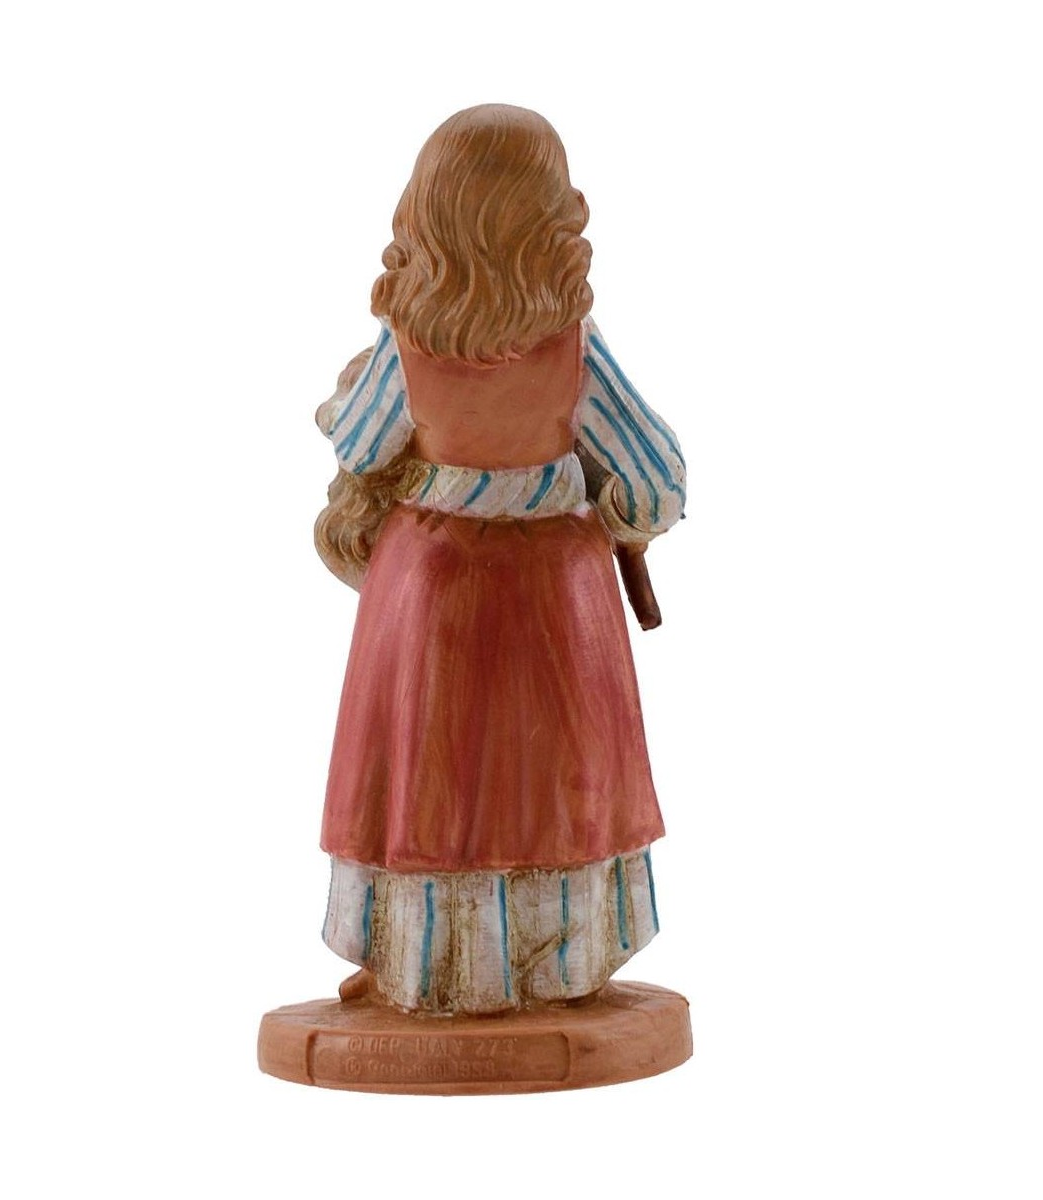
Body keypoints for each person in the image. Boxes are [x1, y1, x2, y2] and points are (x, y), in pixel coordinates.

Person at [312, 105, 686, 1014]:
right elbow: (656, 475)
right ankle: (556, 965)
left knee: (429, 784)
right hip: (556, 592)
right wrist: (620, 510)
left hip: (428, 589)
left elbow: (359, 445)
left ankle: (424, 963)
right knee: (554, 786)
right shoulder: (575, 350)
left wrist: (345, 398)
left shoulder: (405, 349)